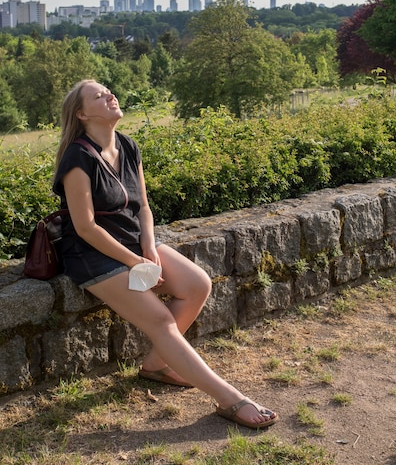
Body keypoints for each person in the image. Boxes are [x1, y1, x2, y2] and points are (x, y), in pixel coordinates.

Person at [52, 79, 278, 429]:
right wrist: (135, 261)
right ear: (82, 114)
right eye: (99, 95)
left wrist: (147, 247)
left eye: (109, 90)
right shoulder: (77, 158)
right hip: (91, 254)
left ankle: (156, 365)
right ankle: (230, 399)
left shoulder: (127, 145)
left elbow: (143, 207)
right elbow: (85, 227)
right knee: (161, 321)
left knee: (197, 284)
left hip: (132, 245)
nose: (110, 94)